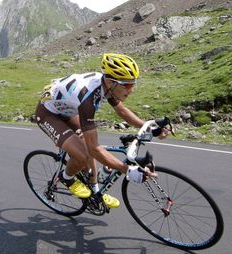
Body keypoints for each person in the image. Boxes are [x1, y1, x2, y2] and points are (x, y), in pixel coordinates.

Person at [34, 53, 170, 209]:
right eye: (127, 85)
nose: (131, 90)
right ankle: (66, 177)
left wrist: (150, 128)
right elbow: (95, 149)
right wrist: (127, 170)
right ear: (111, 82)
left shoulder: (107, 87)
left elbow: (123, 112)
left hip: (69, 110)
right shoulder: (88, 97)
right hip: (48, 114)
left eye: (133, 84)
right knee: (85, 153)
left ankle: (95, 192)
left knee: (88, 149)